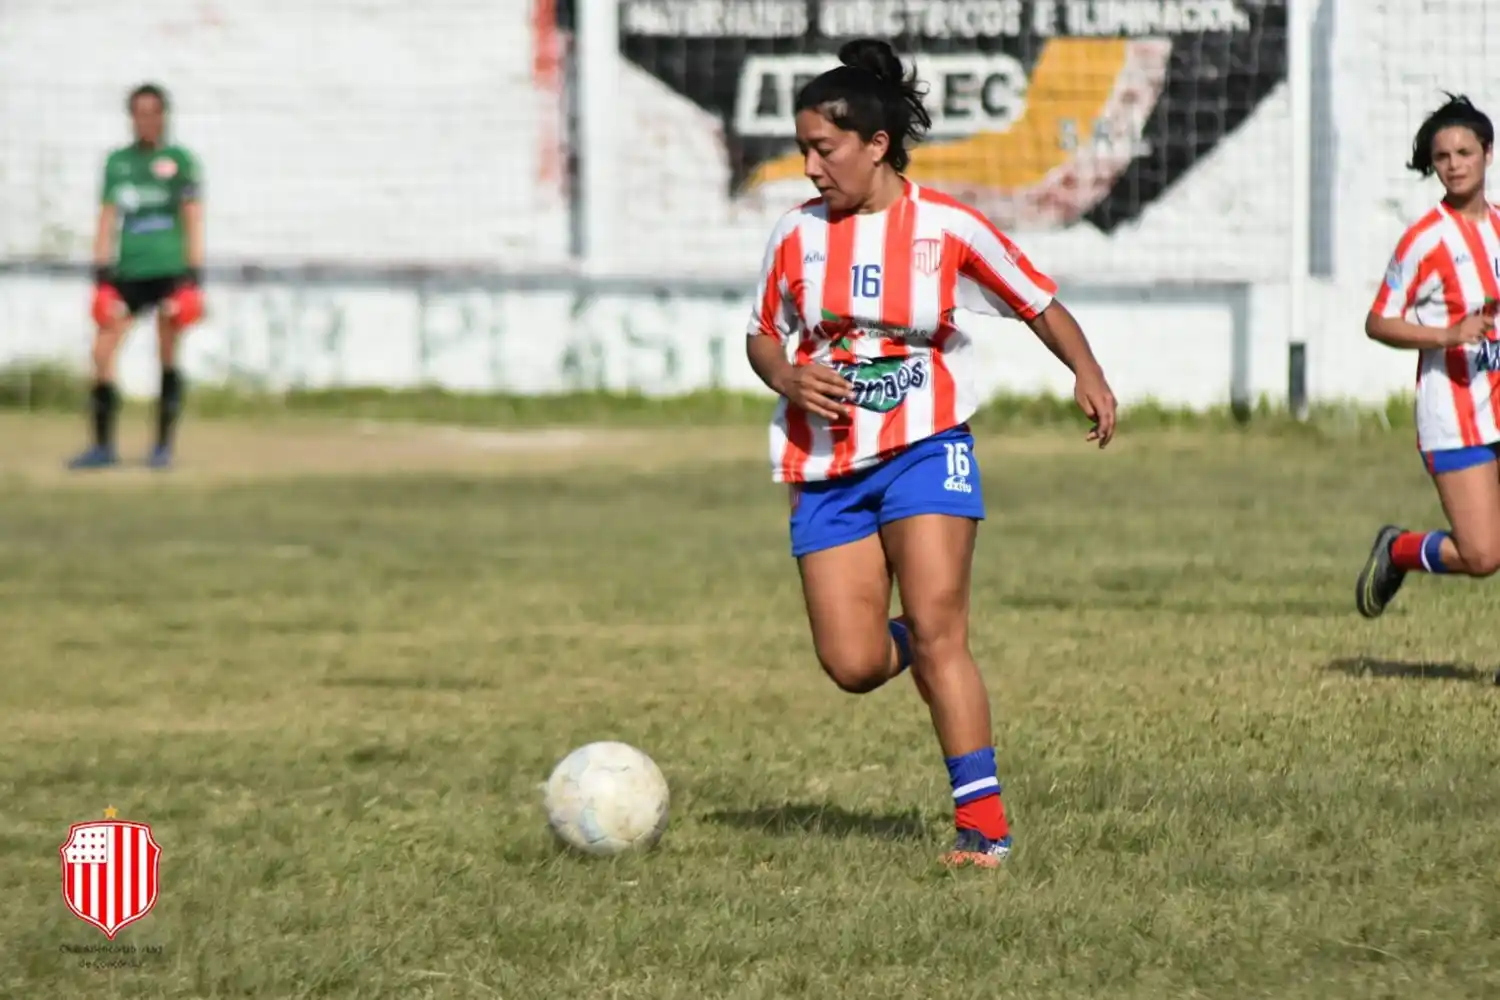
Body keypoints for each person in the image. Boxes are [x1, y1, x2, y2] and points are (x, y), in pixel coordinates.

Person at [745, 38, 1118, 868]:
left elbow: (1039, 302)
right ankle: (922, 637)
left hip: (926, 447)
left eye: (824, 148)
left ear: (876, 145)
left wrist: (1087, 372)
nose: (810, 166)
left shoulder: (947, 227)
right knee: (851, 662)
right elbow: (763, 336)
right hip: (828, 465)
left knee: (945, 631)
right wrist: (789, 378)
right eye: (803, 148)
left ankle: (983, 830)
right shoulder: (793, 236)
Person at [1357, 93, 1500, 616]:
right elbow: (1378, 321)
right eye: (1443, 157)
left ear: (1487, 152)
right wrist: (1446, 335)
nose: (1455, 165)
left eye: (1465, 152)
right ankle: (1398, 549)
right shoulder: (1424, 240)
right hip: (1455, 416)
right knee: (1483, 554)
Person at [70, 82, 205, 470]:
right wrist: (101, 274)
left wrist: (193, 276)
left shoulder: (181, 161)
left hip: (169, 272)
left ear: (164, 117)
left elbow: (192, 217)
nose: (146, 121)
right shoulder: (118, 163)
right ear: (131, 118)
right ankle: (102, 446)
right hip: (128, 272)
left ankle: (162, 447)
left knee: (166, 353)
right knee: (101, 353)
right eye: (139, 113)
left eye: (153, 113)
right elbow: (108, 217)